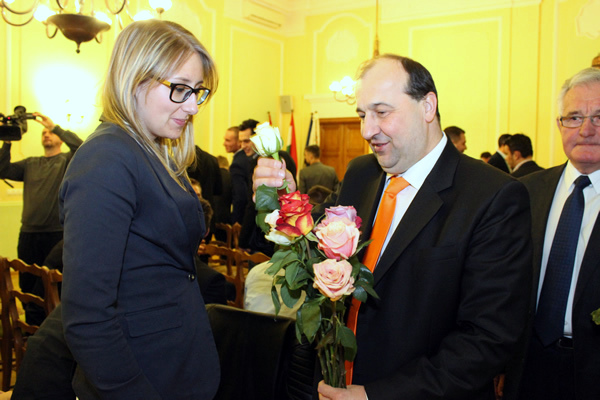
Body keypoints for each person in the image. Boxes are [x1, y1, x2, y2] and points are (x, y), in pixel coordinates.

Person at [253, 54, 532, 399]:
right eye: (362, 115)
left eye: (382, 112)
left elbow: (487, 339)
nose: (367, 131)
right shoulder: (361, 173)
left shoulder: (493, 196)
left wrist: (375, 395)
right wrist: (285, 201)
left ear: (427, 106)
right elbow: (313, 255)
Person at [58, 20, 220, 399]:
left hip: (173, 366)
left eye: (197, 91)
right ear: (135, 79)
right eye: (180, 88)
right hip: (140, 376)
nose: (192, 106)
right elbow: (87, 317)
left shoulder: (152, 151)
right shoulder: (106, 157)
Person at [517, 67, 600, 400]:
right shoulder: (524, 192)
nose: (586, 130)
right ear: (559, 125)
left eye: (599, 117)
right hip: (526, 367)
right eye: (574, 117)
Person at [0, 113, 82, 295]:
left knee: (54, 285)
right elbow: (2, 169)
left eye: (50, 133)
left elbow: (81, 147)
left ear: (60, 140)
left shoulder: (67, 161)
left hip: (56, 234)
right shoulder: (30, 163)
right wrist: (7, 141)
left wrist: (55, 127)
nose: (46, 135)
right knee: (28, 285)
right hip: (29, 234)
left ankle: (52, 315)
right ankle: (30, 314)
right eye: (43, 133)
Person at [226, 125, 251, 224]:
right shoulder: (247, 158)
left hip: (243, 219)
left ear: (238, 142)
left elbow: (240, 196)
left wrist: (236, 221)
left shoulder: (238, 163)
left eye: (228, 140)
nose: (224, 143)